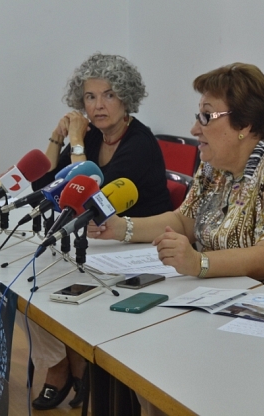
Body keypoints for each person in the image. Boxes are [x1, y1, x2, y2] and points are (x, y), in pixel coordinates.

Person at [88, 62, 264, 415]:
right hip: (227, 298)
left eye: (207, 117)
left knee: (173, 371)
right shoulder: (214, 163)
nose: (195, 128)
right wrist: (123, 228)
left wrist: (200, 263)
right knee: (149, 363)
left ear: (244, 124)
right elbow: (184, 220)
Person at [21, 52, 172, 410]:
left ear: (126, 99)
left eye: (108, 95)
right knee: (30, 278)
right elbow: (42, 187)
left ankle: (83, 367)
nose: (98, 105)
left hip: (140, 251)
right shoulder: (92, 138)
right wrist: (57, 138)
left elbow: (93, 199)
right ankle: (62, 363)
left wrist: (75, 142)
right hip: (97, 245)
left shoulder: (140, 144)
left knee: (51, 278)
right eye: (90, 97)